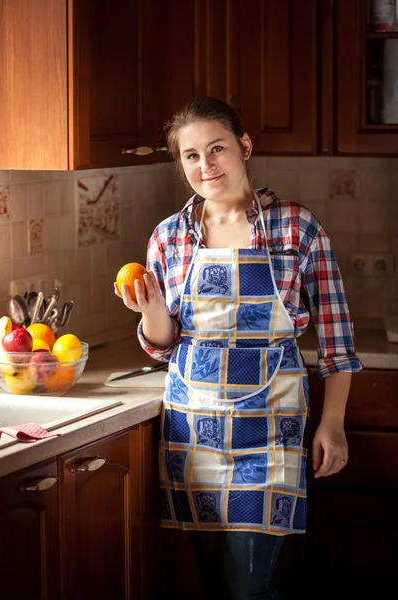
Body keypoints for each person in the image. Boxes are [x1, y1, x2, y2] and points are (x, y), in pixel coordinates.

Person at [114, 97, 363, 599]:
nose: (205, 166)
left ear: (244, 146)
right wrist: (151, 310)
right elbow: (165, 346)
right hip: (194, 430)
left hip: (270, 431)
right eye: (191, 156)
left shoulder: (297, 227)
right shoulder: (168, 239)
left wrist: (332, 423)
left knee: (247, 587)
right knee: (217, 586)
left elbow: (338, 339)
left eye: (217, 148)